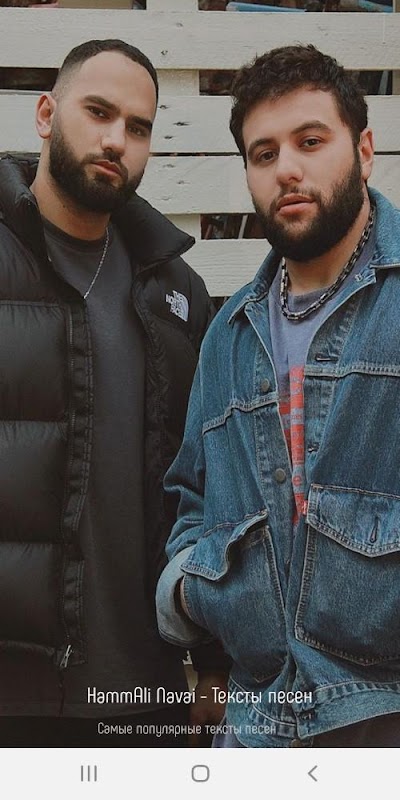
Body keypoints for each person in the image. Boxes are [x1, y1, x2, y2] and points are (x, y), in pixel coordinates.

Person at [156, 44, 400, 747]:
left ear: (365, 151)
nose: (286, 168)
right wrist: (190, 592)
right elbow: (192, 505)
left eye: (310, 141)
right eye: (263, 154)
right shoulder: (228, 337)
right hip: (255, 728)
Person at [0, 38, 228, 747]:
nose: (115, 140)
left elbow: (210, 481)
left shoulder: (176, 293)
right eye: (98, 112)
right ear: (46, 113)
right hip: (15, 689)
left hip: (145, 689)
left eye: (137, 127)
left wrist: (214, 661)